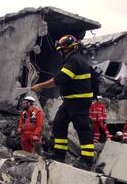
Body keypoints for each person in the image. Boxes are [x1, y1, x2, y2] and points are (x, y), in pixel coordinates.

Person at [32, 35, 95, 170]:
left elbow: (59, 80)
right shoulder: (74, 59)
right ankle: (59, 154)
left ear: (68, 49)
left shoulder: (74, 61)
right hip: (70, 100)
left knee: (82, 128)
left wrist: (40, 86)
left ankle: (87, 160)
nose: (60, 52)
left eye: (62, 49)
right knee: (59, 124)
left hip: (79, 100)